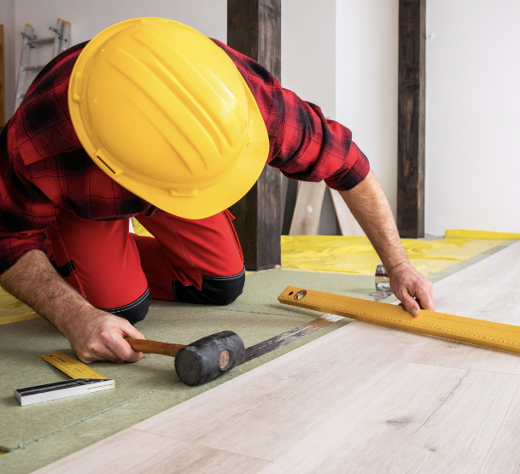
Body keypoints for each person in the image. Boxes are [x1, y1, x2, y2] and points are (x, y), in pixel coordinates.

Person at [0, 18, 434, 363]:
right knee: (120, 312)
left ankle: (111, 260)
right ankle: (76, 258)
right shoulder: (42, 140)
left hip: (172, 177)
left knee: (221, 283)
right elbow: (7, 239)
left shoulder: (253, 105)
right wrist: (74, 314)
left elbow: (351, 167)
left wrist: (398, 265)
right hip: (87, 204)